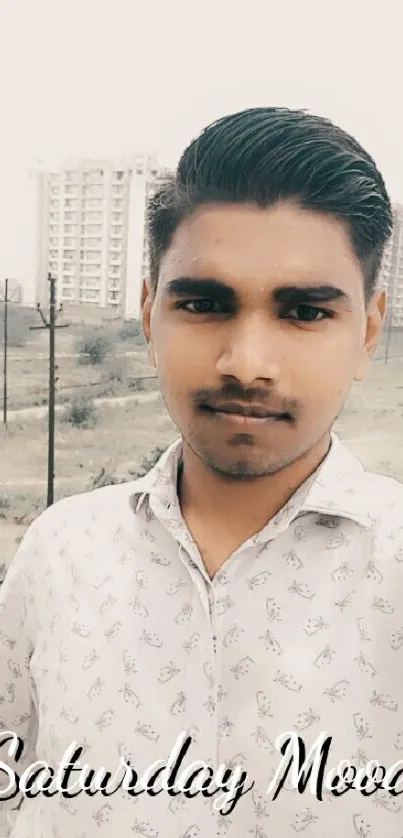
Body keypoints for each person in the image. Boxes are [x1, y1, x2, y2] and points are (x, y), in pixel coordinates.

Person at [1, 106, 403, 838]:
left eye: (304, 313)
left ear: (367, 330)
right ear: (150, 311)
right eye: (204, 304)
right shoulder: (60, 553)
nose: (245, 362)